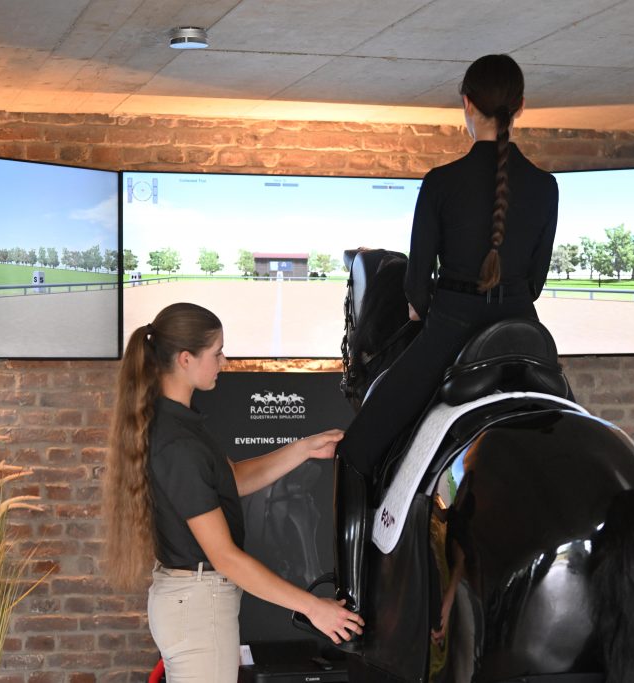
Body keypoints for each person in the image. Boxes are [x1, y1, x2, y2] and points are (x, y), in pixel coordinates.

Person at [333, 54, 559, 612]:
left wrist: (429, 310)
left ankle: (351, 595)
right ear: (521, 107)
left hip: (450, 332)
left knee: (356, 450)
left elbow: (415, 284)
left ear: (466, 105)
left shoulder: (440, 183)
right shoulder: (547, 186)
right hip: (524, 335)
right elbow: (535, 280)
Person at [103, 302, 364, 682]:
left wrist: (303, 448)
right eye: (217, 352)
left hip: (196, 605)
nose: (224, 361)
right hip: (197, 609)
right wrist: (313, 608)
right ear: (186, 359)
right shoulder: (176, 444)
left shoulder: (181, 422)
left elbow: (233, 480)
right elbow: (225, 557)